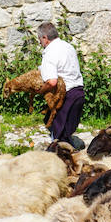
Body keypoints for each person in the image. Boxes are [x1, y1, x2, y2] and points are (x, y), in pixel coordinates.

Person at [36, 21, 85, 149]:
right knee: (67, 134)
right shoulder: (69, 47)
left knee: (59, 141)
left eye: (39, 39)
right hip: (79, 94)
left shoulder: (50, 52)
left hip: (64, 98)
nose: (40, 43)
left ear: (45, 38)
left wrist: (40, 91)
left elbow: (52, 82)